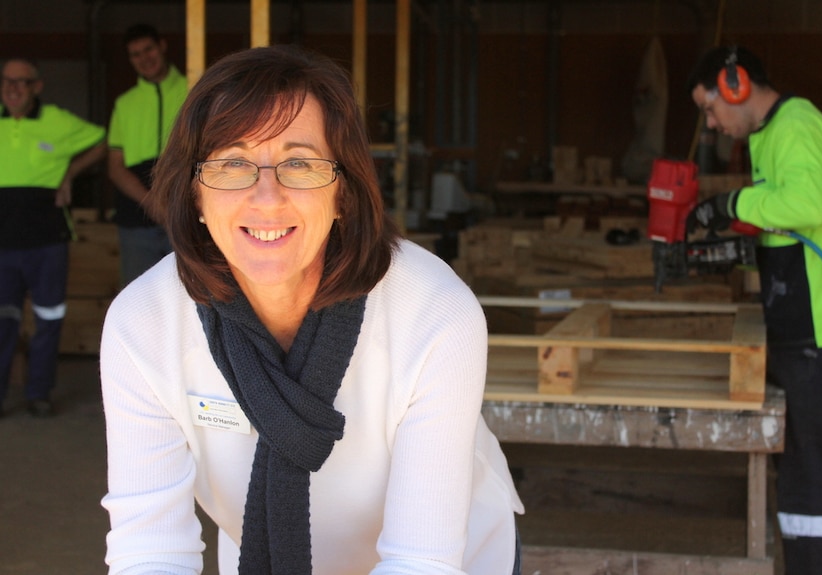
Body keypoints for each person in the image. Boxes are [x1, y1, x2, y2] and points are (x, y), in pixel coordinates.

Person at [100, 44, 524, 575]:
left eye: (299, 163)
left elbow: (422, 559)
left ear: (343, 190)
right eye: (233, 163)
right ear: (195, 196)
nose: (267, 195)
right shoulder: (144, 322)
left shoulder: (433, 312)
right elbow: (151, 548)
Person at [686, 45, 822, 575]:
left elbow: (807, 205)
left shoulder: (796, 126)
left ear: (737, 86)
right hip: (800, 330)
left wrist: (730, 204)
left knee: (810, 479)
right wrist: (736, 237)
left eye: (712, 108)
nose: (712, 124)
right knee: (799, 475)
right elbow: (785, 217)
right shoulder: (771, 135)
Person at [0, 58, 106, 417]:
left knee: (49, 319)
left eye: (22, 82)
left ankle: (39, 393)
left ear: (37, 87)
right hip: (3, 246)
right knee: (3, 321)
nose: (13, 88)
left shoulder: (58, 121)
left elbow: (103, 140)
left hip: (47, 241)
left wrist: (70, 173)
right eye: (7, 81)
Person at [107, 23, 187, 286]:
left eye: (148, 49)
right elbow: (115, 167)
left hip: (187, 215)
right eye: (136, 54)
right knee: (138, 294)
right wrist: (151, 202)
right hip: (136, 217)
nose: (144, 58)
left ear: (162, 46)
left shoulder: (194, 88)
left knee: (194, 296)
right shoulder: (124, 103)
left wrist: (173, 206)